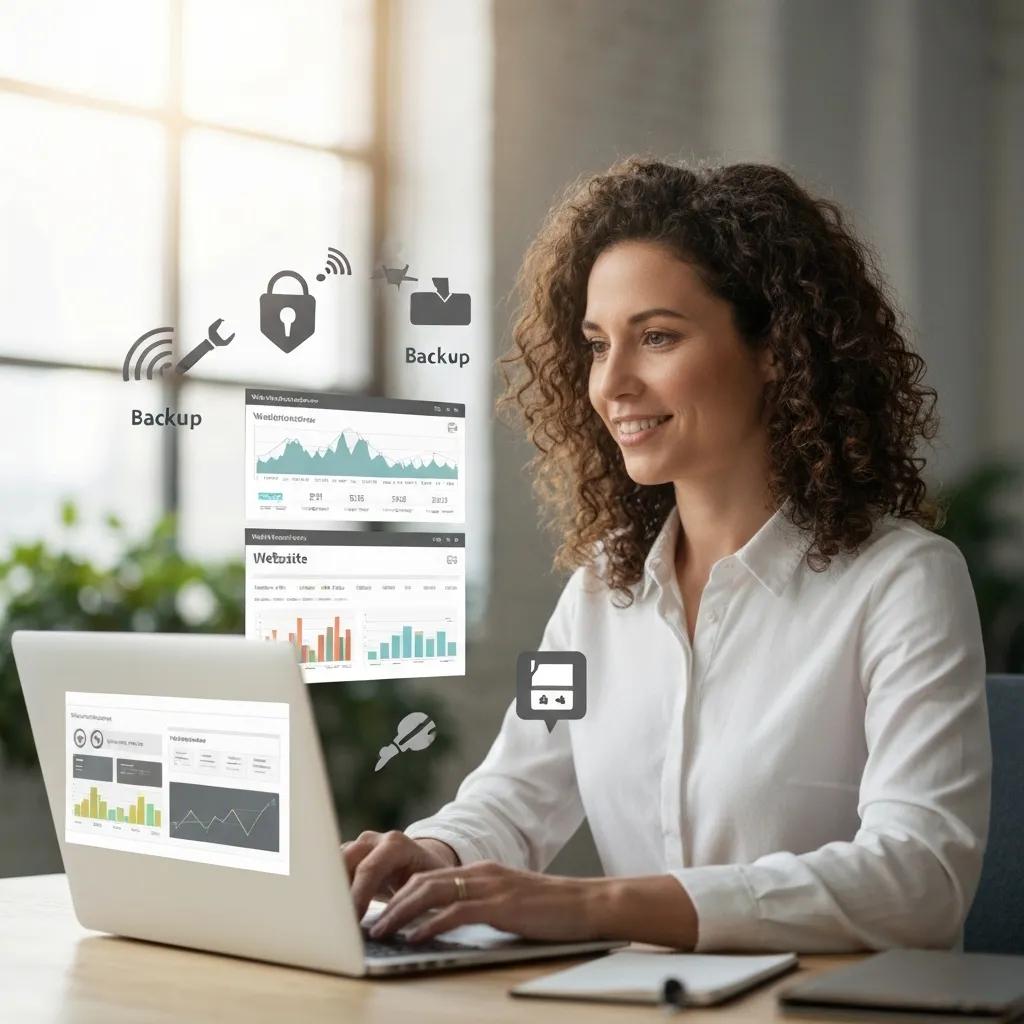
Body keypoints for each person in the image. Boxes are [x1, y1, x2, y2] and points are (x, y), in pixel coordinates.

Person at [344, 159, 991, 952]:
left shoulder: (904, 583)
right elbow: (515, 791)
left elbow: (920, 880)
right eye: (594, 344)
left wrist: (596, 906)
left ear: (777, 351)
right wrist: (434, 854)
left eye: (656, 337)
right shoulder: (595, 594)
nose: (612, 382)